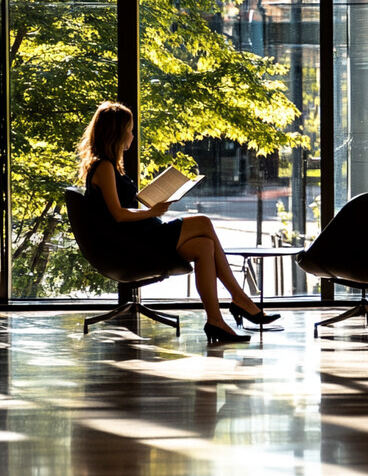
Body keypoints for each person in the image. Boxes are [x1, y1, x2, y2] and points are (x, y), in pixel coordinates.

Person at [76, 101, 279, 343]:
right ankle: (241, 299)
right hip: (133, 243)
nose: (132, 134)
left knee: (205, 246)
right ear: (117, 132)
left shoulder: (112, 166)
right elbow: (118, 215)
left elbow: (121, 210)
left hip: (141, 236)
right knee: (203, 222)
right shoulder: (104, 167)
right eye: (129, 129)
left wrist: (151, 205)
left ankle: (215, 321)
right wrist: (153, 211)